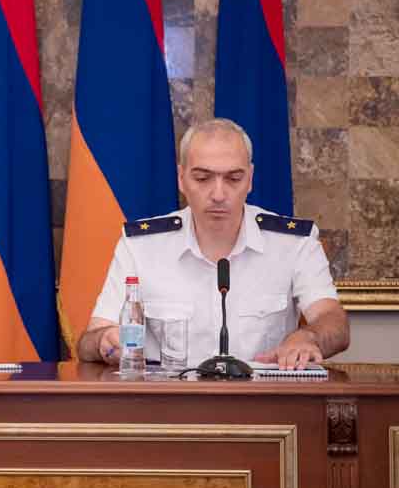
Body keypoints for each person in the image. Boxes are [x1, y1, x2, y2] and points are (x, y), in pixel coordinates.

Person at [77, 118, 349, 370]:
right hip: (169, 401)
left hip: (262, 401)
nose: (218, 194)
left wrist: (308, 337)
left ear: (250, 179)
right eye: (203, 178)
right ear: (181, 178)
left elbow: (334, 323)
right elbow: (89, 341)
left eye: (233, 178)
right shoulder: (141, 246)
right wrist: (104, 341)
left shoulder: (294, 243)